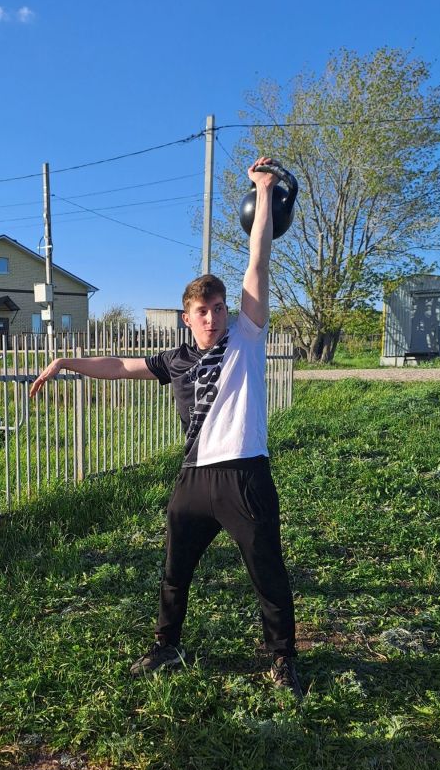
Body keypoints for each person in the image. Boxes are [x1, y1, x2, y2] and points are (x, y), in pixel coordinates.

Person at [29, 157, 301, 697]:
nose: (212, 316)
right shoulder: (175, 359)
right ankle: (167, 644)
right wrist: (66, 363)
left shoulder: (246, 338)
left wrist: (264, 191)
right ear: (186, 316)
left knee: (267, 571)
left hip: (244, 475)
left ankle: (283, 658)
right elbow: (120, 366)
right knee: (175, 570)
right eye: (202, 310)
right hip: (195, 478)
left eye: (219, 307)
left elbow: (259, 263)